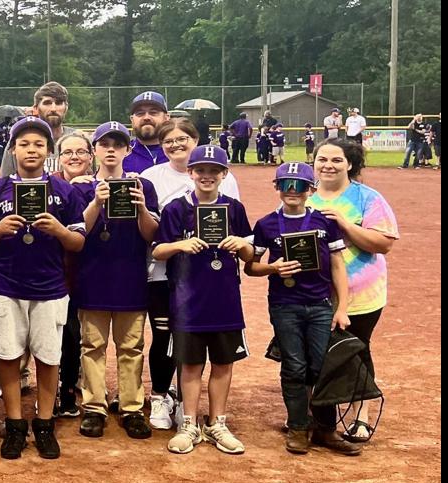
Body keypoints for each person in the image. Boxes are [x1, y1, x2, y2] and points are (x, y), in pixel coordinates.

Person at [0, 115, 87, 460]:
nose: (31, 149)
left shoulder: (63, 191)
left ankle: (44, 423)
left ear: (49, 150)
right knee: (8, 356)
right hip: (5, 285)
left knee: (48, 357)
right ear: (13, 149)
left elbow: (78, 243)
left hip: (50, 287)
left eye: (39, 143)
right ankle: (14, 424)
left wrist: (59, 230)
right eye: (24, 143)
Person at [152, 144, 255, 455]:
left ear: (224, 174)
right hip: (187, 300)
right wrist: (181, 245)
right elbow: (158, 250)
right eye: (201, 170)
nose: (207, 176)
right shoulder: (176, 208)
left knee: (223, 362)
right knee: (191, 364)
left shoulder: (234, 208)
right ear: (191, 172)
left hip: (224, 298)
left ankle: (216, 422)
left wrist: (241, 244)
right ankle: (189, 423)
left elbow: (250, 255)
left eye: (214, 171)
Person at [140, 117, 239, 431]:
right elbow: (153, 236)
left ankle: (187, 404)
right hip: (165, 275)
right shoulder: (151, 176)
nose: (175, 144)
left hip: (211, 278)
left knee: (195, 343)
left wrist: (239, 245)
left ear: (195, 141)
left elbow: (237, 230)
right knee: (166, 338)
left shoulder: (228, 186)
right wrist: (178, 244)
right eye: (168, 140)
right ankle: (160, 395)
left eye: (182, 138)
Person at [250, 161, 350, 455]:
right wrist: (273, 268)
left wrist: (342, 307)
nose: (292, 190)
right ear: (276, 187)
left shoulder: (324, 222)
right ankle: (298, 427)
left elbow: (338, 265)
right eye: (285, 184)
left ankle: (326, 428)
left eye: (299, 186)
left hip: (320, 305)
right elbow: (251, 267)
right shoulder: (266, 224)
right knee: (294, 366)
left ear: (311, 190)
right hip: (285, 305)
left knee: (323, 366)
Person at [306, 136, 397, 451]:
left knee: (356, 350)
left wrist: (345, 224)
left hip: (362, 292)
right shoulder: (303, 195)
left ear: (349, 164)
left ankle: (361, 415)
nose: (328, 166)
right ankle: (318, 418)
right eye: (322, 159)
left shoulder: (367, 198)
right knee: (314, 354)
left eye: (336, 160)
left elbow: (383, 243)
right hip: (315, 294)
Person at [70, 121, 159, 440]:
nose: (111, 150)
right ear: (94, 150)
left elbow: (151, 235)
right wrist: (96, 202)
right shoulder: (81, 188)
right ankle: (94, 407)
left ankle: (131, 408)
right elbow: (77, 232)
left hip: (130, 277)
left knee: (131, 346)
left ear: (127, 149)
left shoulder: (142, 186)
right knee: (92, 345)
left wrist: (142, 208)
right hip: (92, 276)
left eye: (117, 144)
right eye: (104, 144)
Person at [49, 130, 96, 419]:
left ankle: (71, 385)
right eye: (67, 152)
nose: (74, 157)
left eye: (81, 151)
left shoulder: (101, 185)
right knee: (60, 332)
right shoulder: (49, 185)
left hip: (88, 270)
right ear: (59, 157)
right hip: (55, 271)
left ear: (91, 156)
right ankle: (56, 387)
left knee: (78, 334)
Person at [1, 81, 70, 176]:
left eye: (59, 103)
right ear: (36, 108)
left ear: (66, 107)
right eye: (47, 103)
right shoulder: (20, 141)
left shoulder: (78, 140)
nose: (53, 109)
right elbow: (4, 181)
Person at [123, 91, 171, 174]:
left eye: (153, 113)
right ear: (132, 120)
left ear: (166, 118)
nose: (146, 117)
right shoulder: (122, 154)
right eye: (140, 113)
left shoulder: (179, 151)